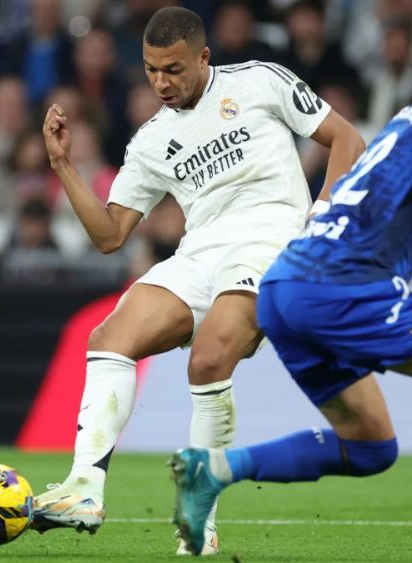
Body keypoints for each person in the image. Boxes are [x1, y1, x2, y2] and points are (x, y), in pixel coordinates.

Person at [169, 23, 412, 563]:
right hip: (344, 283)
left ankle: (215, 468)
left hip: (284, 285)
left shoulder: (400, 120)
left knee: (370, 447)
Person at [37, 6, 365, 556]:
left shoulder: (261, 81)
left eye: (173, 69)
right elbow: (111, 234)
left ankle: (198, 513)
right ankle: (84, 490)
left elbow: (347, 139)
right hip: (200, 252)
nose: (161, 82)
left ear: (203, 57)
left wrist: (322, 216)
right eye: (150, 70)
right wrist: (64, 167)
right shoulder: (150, 140)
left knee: (208, 360)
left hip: (272, 243)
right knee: (107, 339)